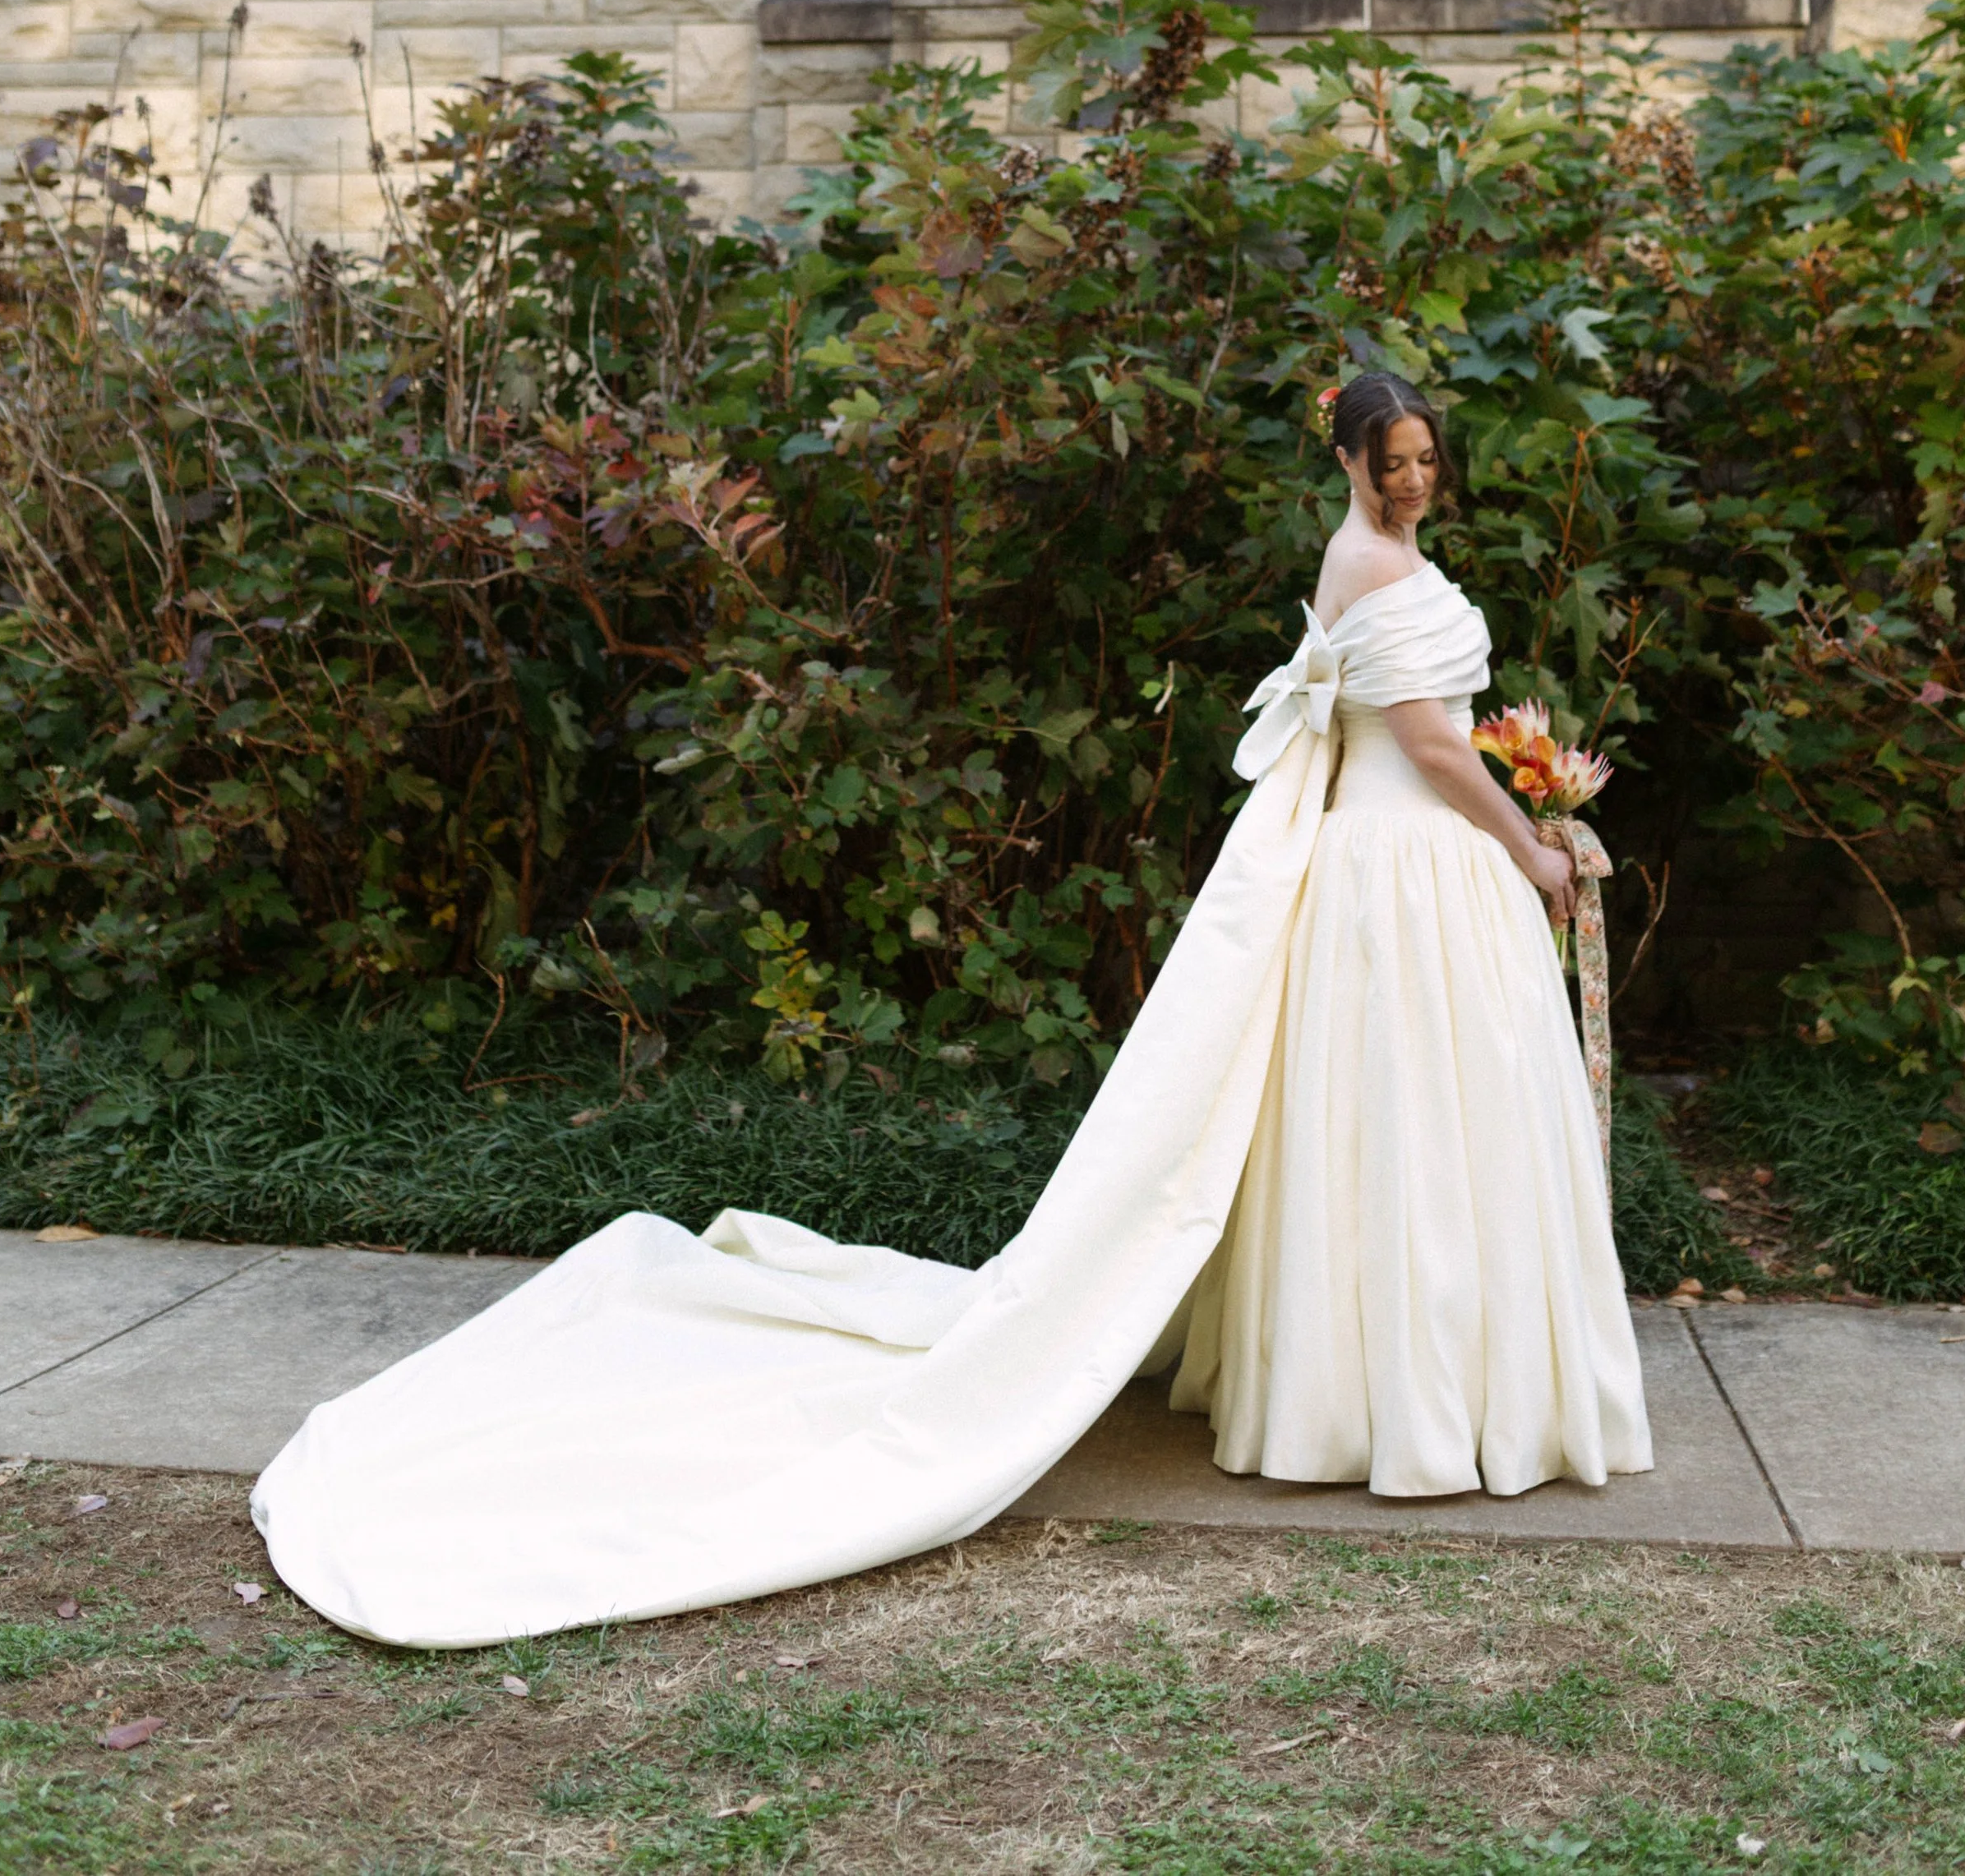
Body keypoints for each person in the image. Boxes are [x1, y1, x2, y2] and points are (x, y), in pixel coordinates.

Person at [252, 370, 1649, 1648]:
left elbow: (1425, 724)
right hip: (1406, 864)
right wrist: (1526, 839)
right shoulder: (1366, 557)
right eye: (1391, 460)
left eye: (1424, 462)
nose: (1413, 481)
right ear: (1346, 457)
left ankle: (1398, 1381)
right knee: (1404, 1117)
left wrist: (1518, 802)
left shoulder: (1387, 556)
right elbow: (1418, 739)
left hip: (1410, 868)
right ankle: (1401, 1396)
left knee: (1409, 1120)